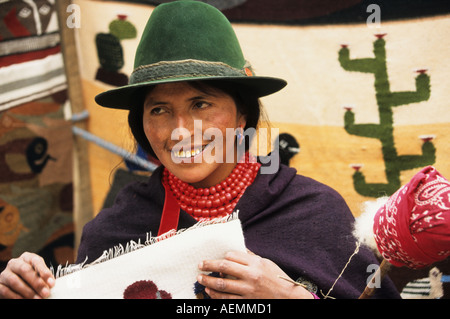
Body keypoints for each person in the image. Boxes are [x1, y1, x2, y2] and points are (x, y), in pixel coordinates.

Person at [0, 0, 400, 299]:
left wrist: (290, 295)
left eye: (201, 104)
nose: (179, 131)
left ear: (242, 114)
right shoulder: (116, 229)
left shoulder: (314, 214)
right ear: (142, 123)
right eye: (159, 110)